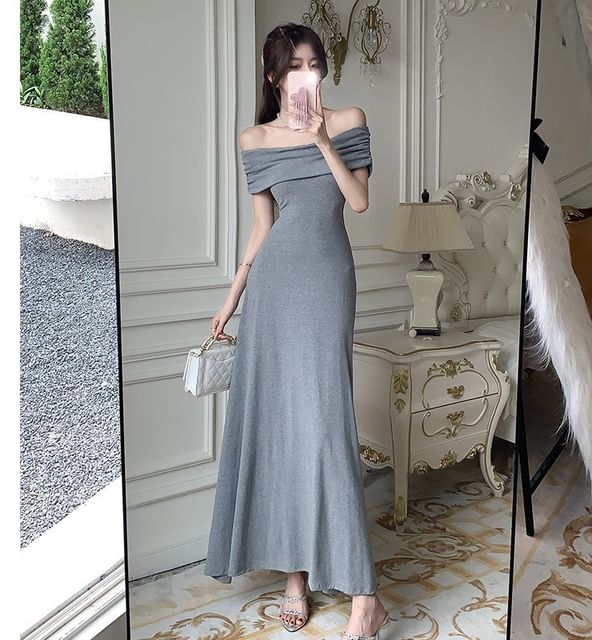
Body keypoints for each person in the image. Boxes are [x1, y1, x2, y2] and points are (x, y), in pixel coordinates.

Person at [203, 22, 388, 640]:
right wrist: (232, 297)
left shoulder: (349, 120)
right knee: (284, 427)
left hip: (327, 282)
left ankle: (365, 596)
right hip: (273, 290)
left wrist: (321, 141)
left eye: (314, 64)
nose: (308, 75)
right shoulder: (253, 139)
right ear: (273, 77)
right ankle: (295, 578)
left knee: (326, 425)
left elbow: (357, 202)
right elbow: (262, 227)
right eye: (295, 67)